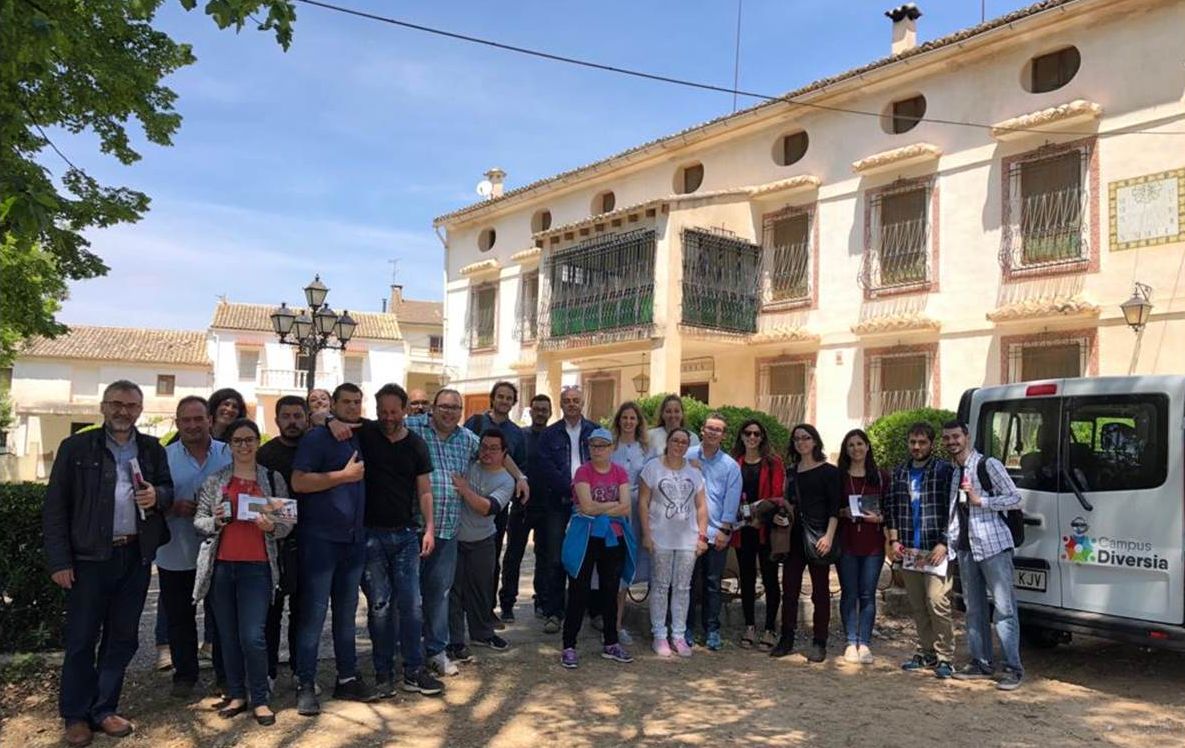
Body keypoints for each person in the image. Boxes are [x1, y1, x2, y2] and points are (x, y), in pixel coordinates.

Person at [322, 388, 526, 678]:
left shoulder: (468, 439)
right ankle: (397, 651)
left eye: (455, 408)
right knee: (403, 598)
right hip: (412, 528)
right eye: (443, 406)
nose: (449, 412)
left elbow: (497, 453)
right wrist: (330, 419)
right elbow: (359, 421)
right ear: (433, 407)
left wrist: (520, 476)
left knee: (438, 594)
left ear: (461, 412)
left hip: (447, 530)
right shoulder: (413, 426)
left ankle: (435, 651)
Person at [43, 380, 174, 747]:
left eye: (131, 405)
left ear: (140, 410)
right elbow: (55, 507)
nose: (123, 411)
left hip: (134, 556)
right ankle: (75, 715)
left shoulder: (151, 449)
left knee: (122, 638)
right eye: (116, 403)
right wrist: (59, 560)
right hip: (88, 559)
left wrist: (157, 495)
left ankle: (103, 709)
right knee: (82, 639)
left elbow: (168, 489)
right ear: (103, 406)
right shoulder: (76, 447)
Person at [193, 418, 291, 726]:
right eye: (238, 440)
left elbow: (287, 524)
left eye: (249, 439)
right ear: (230, 445)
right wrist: (215, 522)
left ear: (258, 442)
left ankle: (260, 698)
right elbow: (199, 521)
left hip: (258, 568)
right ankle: (237, 694)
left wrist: (271, 527)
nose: (244, 445)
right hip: (222, 567)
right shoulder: (216, 480)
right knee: (228, 636)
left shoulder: (272, 478)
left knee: (253, 636)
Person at [290, 384, 377, 715]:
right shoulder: (316, 438)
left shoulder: (360, 434)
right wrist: (343, 476)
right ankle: (305, 683)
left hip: (353, 542)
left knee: (345, 615)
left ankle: (347, 678)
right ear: (335, 404)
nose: (353, 407)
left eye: (358, 401)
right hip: (320, 542)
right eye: (347, 402)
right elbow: (299, 482)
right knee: (313, 615)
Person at [354, 384, 443, 697]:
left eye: (394, 412)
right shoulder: (366, 434)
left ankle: (414, 671)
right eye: (383, 412)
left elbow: (425, 490)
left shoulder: (417, 445)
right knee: (379, 606)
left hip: (406, 534)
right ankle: (383, 672)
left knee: (411, 605)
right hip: (371, 535)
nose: (388, 418)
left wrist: (429, 528)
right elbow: (329, 416)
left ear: (405, 410)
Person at [942, 420, 1025, 691]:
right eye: (947, 438)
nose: (952, 442)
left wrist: (983, 501)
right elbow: (955, 512)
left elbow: (1015, 498)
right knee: (974, 609)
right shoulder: (956, 472)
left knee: (1004, 609)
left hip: (993, 547)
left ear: (967, 436)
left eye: (956, 436)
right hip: (967, 549)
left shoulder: (988, 465)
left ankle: (1013, 668)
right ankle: (981, 663)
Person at [158, 396, 231, 698]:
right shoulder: (163, 457)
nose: (192, 425)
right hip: (177, 549)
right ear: (177, 423)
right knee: (179, 617)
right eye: (186, 420)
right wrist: (171, 506)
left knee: (223, 616)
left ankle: (226, 675)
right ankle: (185, 675)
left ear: (210, 420)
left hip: (221, 550)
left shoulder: (228, 453)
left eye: (198, 419)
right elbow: (149, 499)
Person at [883, 422, 956, 679]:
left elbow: (952, 509)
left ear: (931, 444)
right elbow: (891, 508)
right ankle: (926, 652)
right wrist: (894, 541)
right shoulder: (900, 472)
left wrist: (944, 542)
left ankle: (945, 656)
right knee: (918, 604)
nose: (916, 447)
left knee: (937, 601)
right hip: (910, 550)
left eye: (922, 442)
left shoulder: (944, 471)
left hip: (935, 548)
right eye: (913, 442)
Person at [559, 428, 635, 668]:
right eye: (593, 445)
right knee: (578, 589)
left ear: (611, 448)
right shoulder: (583, 472)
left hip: (613, 537)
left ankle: (611, 642)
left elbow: (626, 507)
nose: (597, 450)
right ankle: (569, 645)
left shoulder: (619, 472)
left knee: (610, 590)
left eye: (602, 445)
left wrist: (600, 507)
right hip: (585, 537)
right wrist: (612, 505)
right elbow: (586, 506)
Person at [773, 423, 840, 662]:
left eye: (806, 438)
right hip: (794, 538)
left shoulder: (829, 472)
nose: (801, 442)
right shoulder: (791, 472)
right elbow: (787, 503)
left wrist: (828, 536)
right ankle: (786, 638)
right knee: (789, 589)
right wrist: (780, 516)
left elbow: (834, 508)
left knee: (820, 592)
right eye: (797, 439)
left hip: (819, 537)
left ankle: (819, 641)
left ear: (815, 441)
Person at [462, 381, 527, 627]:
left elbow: (513, 462)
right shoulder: (476, 423)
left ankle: (485, 610)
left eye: (509, 398)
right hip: (466, 499)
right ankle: (459, 611)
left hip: (496, 503)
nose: (504, 401)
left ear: (513, 402)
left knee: (490, 560)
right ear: (493, 398)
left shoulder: (516, 433)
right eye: (500, 396)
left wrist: (520, 479)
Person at [638, 428, 707, 658]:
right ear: (668, 442)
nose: (679, 445)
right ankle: (659, 633)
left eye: (683, 442)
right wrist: (646, 534)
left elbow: (701, 506)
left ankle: (678, 634)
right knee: (660, 585)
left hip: (688, 538)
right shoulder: (652, 468)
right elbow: (643, 502)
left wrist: (702, 536)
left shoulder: (694, 472)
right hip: (660, 536)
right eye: (675, 440)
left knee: (683, 587)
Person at [255, 395, 307, 689]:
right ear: (277, 420)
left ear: (306, 418)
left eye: (298, 416)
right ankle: (268, 672)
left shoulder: (314, 449)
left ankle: (302, 671)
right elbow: (257, 499)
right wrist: (284, 517)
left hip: (309, 543)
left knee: (302, 612)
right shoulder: (265, 455)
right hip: (272, 543)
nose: (292, 422)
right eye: (286, 416)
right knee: (271, 612)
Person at [449, 429, 517, 656]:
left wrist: (464, 490)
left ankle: (482, 634)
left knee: (481, 590)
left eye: (494, 449)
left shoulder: (506, 481)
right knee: (453, 591)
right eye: (484, 447)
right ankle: (455, 640)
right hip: (454, 539)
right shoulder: (468, 465)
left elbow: (487, 508)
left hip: (483, 540)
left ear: (504, 453)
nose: (487, 452)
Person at [537, 386, 598, 634]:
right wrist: (572, 489)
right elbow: (545, 467)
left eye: (576, 400)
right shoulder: (549, 434)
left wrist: (586, 493)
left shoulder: (594, 431)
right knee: (556, 557)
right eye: (567, 400)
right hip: (558, 503)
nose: (572, 404)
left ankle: (592, 610)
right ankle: (554, 612)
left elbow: (602, 463)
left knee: (590, 556)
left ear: (583, 403)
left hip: (591, 504)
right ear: (561, 404)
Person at [684, 413, 742, 651]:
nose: (713, 433)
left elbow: (732, 500)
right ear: (702, 429)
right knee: (686, 582)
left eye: (718, 430)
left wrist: (725, 530)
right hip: (688, 531)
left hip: (716, 531)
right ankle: (684, 627)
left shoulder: (730, 466)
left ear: (723, 435)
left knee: (712, 582)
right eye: (709, 428)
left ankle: (712, 630)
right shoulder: (686, 455)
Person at [730, 418, 785, 651]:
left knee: (770, 579)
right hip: (743, 530)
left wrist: (759, 518)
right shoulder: (735, 462)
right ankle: (750, 626)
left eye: (756, 434)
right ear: (741, 436)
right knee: (746, 578)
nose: (752, 437)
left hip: (766, 529)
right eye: (748, 433)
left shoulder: (773, 463)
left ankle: (770, 628)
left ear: (762, 437)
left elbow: (777, 496)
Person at [836, 429, 889, 664]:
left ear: (867, 446)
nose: (856, 449)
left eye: (859, 444)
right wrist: (843, 512)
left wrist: (880, 518)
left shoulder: (881, 476)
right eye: (851, 445)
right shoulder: (839, 477)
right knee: (849, 593)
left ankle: (864, 642)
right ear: (845, 450)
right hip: (846, 543)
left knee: (868, 594)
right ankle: (850, 641)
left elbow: (890, 508)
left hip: (873, 545)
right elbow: (831, 508)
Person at [500, 394, 553, 621]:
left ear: (550, 412)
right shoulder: (520, 436)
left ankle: (542, 600)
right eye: (537, 409)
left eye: (544, 409)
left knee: (545, 557)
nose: (540, 413)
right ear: (530, 411)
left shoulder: (554, 437)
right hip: (521, 506)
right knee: (513, 556)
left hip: (548, 507)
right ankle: (507, 603)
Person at [609, 401, 649, 645]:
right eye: (624, 417)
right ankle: (608, 622)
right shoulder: (610, 446)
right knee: (610, 567)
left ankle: (617, 624)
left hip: (637, 510)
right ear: (618, 420)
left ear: (638, 422)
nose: (628, 422)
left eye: (632, 418)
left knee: (627, 567)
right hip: (612, 510)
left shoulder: (646, 449)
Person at [646, 394, 700, 458]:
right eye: (668, 411)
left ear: (682, 414)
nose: (673, 415)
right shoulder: (651, 435)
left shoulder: (693, 438)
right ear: (662, 414)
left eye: (676, 411)